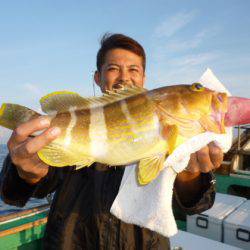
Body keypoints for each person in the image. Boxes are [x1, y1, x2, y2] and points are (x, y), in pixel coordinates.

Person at [0, 33, 223, 249]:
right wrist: (26, 174)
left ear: (143, 78)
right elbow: (13, 194)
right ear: (98, 77)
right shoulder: (75, 121)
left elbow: (197, 205)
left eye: (133, 69)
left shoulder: (184, 128)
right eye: (113, 68)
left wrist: (191, 175)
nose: (124, 77)